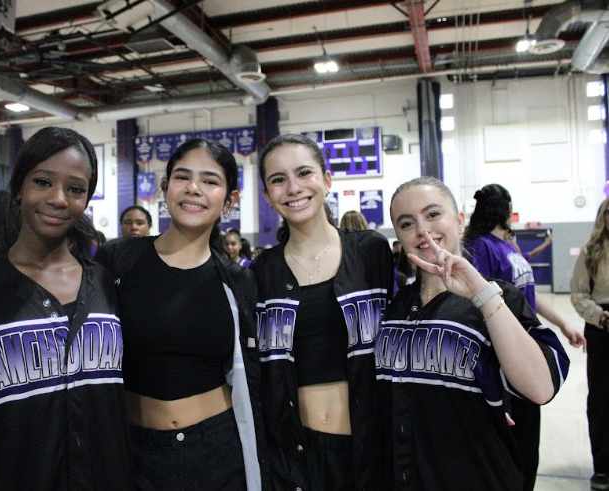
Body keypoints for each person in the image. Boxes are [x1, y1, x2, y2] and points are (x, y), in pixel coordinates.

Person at [0, 127, 134, 490]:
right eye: (42, 182)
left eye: (75, 189)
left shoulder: (106, 283)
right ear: (18, 189)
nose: (58, 199)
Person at [95, 138, 267, 491]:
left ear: (230, 200)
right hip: (133, 449)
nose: (193, 189)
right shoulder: (119, 259)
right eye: (182, 177)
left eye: (210, 181)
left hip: (216, 449)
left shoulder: (238, 281)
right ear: (165, 188)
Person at [378, 176, 570, 490]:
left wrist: (480, 292)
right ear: (398, 235)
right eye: (407, 223)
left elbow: (541, 388)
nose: (423, 230)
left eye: (433, 214)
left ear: (460, 220)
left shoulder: (499, 298)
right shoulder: (394, 308)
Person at [252, 134, 392, 491]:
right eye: (278, 180)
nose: (293, 187)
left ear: (326, 180)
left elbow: (409, 323)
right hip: (295, 455)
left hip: (369, 446)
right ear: (268, 196)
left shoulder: (370, 251)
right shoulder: (261, 272)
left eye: (304, 173)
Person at [463, 183, 585, 491]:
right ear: (504, 208)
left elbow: (527, 297)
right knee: (511, 453)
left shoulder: (508, 247)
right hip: (505, 359)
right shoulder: (480, 248)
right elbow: (474, 309)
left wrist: (563, 325)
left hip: (529, 352)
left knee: (528, 448)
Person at [570, 197, 609, 491]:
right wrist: (601, 317)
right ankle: (603, 467)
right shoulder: (591, 252)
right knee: (602, 400)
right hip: (602, 328)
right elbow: (579, 295)